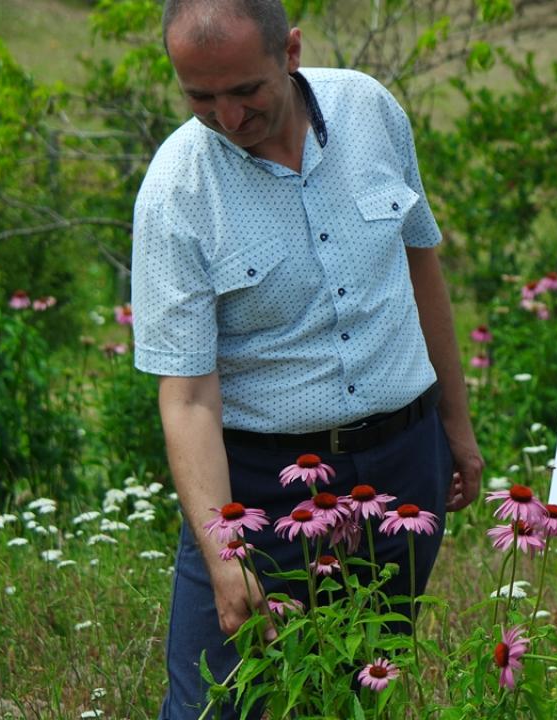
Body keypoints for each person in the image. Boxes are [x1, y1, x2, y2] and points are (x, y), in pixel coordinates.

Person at [130, 1, 483, 716]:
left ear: (290, 52)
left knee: (357, 692)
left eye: (245, 90)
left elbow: (420, 265)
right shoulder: (177, 190)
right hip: (260, 491)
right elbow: (188, 396)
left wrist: (456, 426)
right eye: (201, 97)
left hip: (404, 465)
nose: (229, 116)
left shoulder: (369, 110)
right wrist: (226, 556)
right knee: (216, 704)